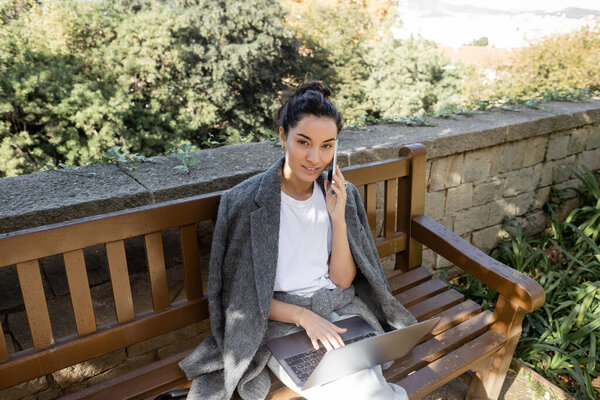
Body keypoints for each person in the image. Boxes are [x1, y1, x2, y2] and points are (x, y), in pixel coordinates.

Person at [178, 81, 417, 400]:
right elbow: (241, 300)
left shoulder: (342, 195)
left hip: (342, 311)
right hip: (284, 323)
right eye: (304, 142)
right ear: (282, 136)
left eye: (327, 145)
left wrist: (337, 216)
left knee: (364, 386)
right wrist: (304, 317)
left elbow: (343, 280)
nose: (315, 158)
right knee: (361, 391)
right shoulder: (245, 203)